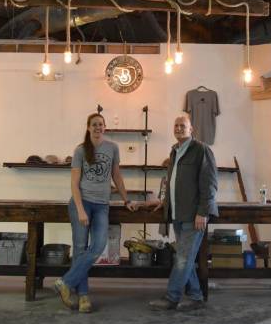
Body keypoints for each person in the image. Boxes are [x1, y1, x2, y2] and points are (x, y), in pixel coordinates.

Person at [54, 113, 136, 313]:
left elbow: (116, 175)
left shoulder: (112, 148)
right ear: (88, 127)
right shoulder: (80, 150)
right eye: (94, 125)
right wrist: (81, 209)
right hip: (81, 204)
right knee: (80, 249)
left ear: (105, 127)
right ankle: (83, 297)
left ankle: (65, 282)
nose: (98, 127)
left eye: (101, 124)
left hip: (102, 205)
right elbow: (74, 183)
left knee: (98, 245)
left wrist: (126, 199)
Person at [147, 115, 218, 311]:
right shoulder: (175, 151)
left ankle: (172, 298)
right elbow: (173, 182)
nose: (179, 129)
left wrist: (203, 213)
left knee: (183, 258)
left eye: (183, 126)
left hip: (194, 216)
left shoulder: (201, 150)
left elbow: (210, 185)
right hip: (177, 215)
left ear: (191, 129)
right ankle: (196, 297)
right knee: (184, 257)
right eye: (176, 125)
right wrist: (165, 203)